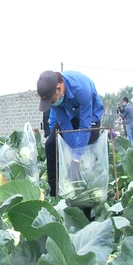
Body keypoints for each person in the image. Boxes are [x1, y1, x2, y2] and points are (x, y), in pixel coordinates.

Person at [37, 70, 104, 203]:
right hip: (71, 115)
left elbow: (85, 127)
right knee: (51, 144)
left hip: (90, 116)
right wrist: (72, 153)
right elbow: (65, 126)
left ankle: (88, 201)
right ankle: (54, 195)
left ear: (59, 88)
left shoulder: (81, 89)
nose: (51, 103)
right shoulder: (55, 98)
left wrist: (77, 158)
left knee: (88, 154)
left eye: (51, 100)